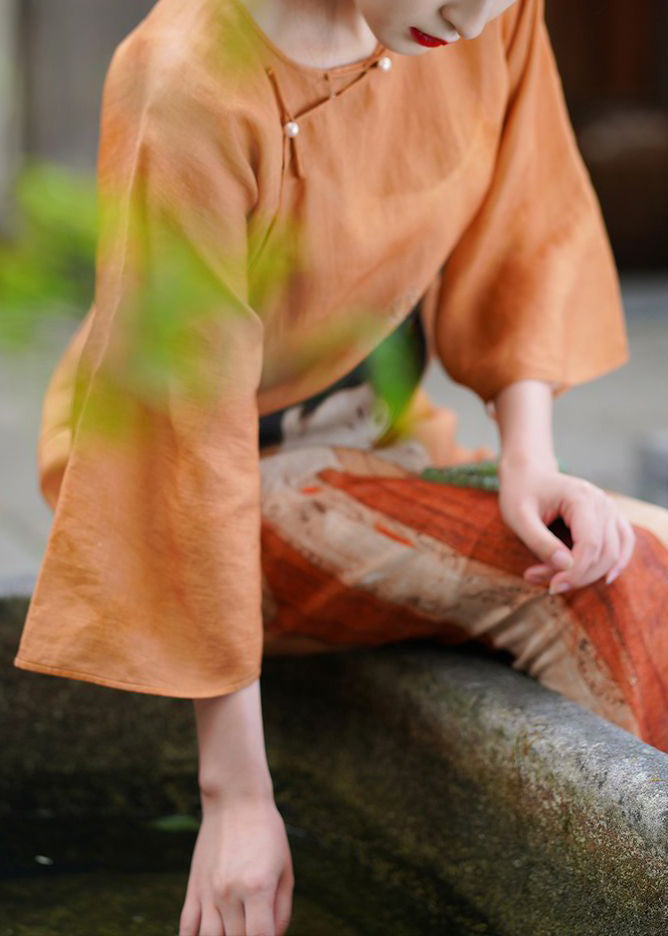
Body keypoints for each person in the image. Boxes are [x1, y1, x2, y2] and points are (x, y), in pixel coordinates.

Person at [12, 0, 668, 933]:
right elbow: (179, 433)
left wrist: (532, 460)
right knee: (609, 592)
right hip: (198, 488)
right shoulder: (190, 77)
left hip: (381, 434)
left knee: (637, 549)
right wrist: (235, 795)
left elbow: (531, 221)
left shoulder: (487, 13)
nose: (472, 18)